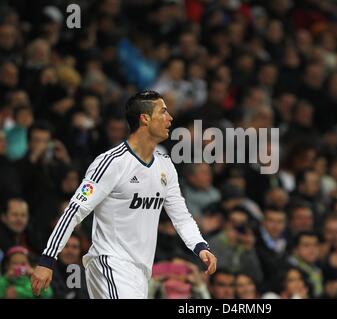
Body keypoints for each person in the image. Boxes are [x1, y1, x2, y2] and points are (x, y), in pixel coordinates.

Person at [31, 90, 217, 299]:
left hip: (141, 271)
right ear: (145, 118)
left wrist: (201, 246)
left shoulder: (165, 165)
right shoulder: (111, 162)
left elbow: (181, 217)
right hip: (109, 263)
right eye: (163, 112)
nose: (170, 118)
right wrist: (47, 259)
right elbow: (74, 209)